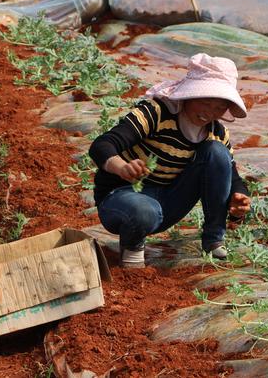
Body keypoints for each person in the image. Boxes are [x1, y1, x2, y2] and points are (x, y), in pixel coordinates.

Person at [89, 53, 251, 267]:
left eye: (219, 107)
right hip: (123, 198)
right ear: (189, 95)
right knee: (143, 209)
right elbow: (102, 145)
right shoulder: (155, 113)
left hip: (170, 201)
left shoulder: (217, 133)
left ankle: (214, 240)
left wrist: (239, 198)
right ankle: (132, 249)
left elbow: (231, 175)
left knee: (217, 152)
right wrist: (121, 167)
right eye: (205, 101)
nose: (210, 112)